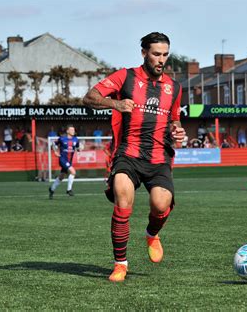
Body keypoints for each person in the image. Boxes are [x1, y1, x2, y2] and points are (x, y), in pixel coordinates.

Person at [82, 32, 185, 282]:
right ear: (144, 53)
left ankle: (152, 234)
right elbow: (89, 98)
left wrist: (178, 131)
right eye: (156, 54)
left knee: (161, 205)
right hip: (128, 153)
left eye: (165, 54)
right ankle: (120, 264)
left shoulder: (174, 88)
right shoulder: (126, 77)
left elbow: (175, 120)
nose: (161, 60)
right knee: (122, 193)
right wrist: (115, 104)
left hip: (159, 156)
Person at [48, 124, 79, 199]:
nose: (73, 131)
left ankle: (52, 189)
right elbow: (53, 144)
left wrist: (80, 148)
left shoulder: (76, 139)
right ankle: (69, 190)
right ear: (67, 131)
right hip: (62, 159)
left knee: (61, 176)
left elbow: (77, 148)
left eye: (74, 130)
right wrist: (55, 151)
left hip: (69, 160)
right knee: (73, 172)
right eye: (71, 130)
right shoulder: (62, 139)